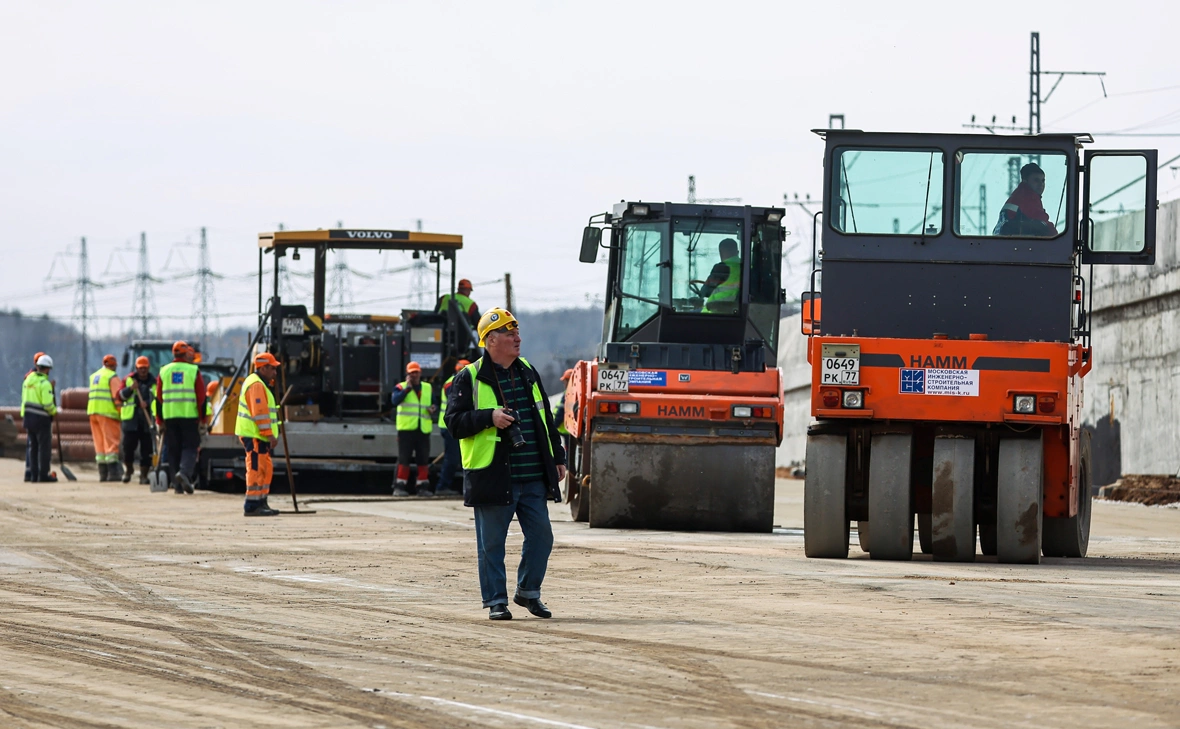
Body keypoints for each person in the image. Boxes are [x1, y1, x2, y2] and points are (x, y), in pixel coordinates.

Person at [445, 308, 566, 621]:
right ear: (490, 340)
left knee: (542, 537)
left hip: (534, 474)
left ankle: (528, 593)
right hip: (493, 474)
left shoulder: (527, 370)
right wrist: (490, 418)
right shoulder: (469, 376)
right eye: (511, 334)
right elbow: (453, 422)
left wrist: (558, 456)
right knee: (492, 545)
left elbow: (545, 419)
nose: (518, 338)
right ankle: (496, 601)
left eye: (517, 332)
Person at [235, 352, 282, 517]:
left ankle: (261, 502)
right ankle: (252, 505)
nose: (275, 373)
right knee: (256, 468)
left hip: (259, 436)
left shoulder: (260, 384)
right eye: (273, 369)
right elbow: (260, 413)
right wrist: (269, 435)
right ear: (263, 368)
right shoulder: (256, 385)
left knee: (264, 469)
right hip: (255, 435)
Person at [156, 341, 206, 494]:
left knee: (173, 449)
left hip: (170, 416)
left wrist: (160, 420)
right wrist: (202, 419)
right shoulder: (193, 370)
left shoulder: (164, 371)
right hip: (189, 416)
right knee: (190, 447)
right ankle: (184, 473)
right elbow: (201, 398)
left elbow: (158, 398)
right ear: (186, 354)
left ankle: (177, 486)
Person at [391, 361, 434, 496]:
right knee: (404, 459)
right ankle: (399, 486)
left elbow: (434, 402)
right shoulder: (400, 387)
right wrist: (407, 389)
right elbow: (394, 401)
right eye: (411, 373)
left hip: (422, 429)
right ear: (407, 375)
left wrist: (433, 408)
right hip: (406, 430)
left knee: (423, 460)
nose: (414, 375)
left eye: (416, 372)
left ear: (420, 373)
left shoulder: (427, 388)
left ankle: (422, 487)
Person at [118, 356, 157, 484]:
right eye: (140, 368)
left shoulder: (154, 382)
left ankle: (144, 475)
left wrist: (147, 402)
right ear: (136, 368)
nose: (143, 371)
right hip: (131, 421)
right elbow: (121, 396)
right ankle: (128, 470)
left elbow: (158, 399)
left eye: (145, 368)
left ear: (148, 368)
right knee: (128, 448)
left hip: (147, 421)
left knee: (147, 450)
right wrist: (130, 389)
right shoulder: (129, 380)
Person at [434, 359, 470, 498]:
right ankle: (442, 486)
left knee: (457, 457)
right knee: (452, 458)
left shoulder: (456, 381)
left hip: (454, 424)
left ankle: (447, 486)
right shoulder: (452, 383)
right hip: (450, 426)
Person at [994, 162, 1058, 237]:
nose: (1041, 184)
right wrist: (1056, 237)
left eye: (1043, 180)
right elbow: (1042, 221)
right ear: (1025, 181)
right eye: (1036, 180)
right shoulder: (1027, 197)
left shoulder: (1017, 196)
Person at [87, 354, 125, 482]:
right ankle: (113, 473)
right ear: (114, 365)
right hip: (108, 413)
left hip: (93, 412)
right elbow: (117, 398)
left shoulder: (94, 376)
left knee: (99, 444)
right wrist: (122, 413)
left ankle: (103, 473)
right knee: (111, 443)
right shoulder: (112, 377)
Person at [21, 354, 58, 483]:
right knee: (44, 448)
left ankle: (33, 475)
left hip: (28, 418)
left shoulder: (27, 381)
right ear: (48, 369)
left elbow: (24, 400)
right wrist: (54, 411)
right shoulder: (45, 383)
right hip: (42, 420)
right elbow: (48, 404)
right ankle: (43, 475)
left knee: (33, 447)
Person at [699, 238, 741, 313]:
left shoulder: (721, 268)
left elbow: (705, 292)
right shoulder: (748, 268)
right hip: (735, 311)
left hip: (716, 312)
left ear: (721, 253)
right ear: (737, 252)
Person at [23, 352, 46, 482]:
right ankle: (36, 472)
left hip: (28, 415)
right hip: (39, 416)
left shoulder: (28, 377)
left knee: (31, 445)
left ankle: (30, 472)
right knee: (38, 445)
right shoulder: (38, 378)